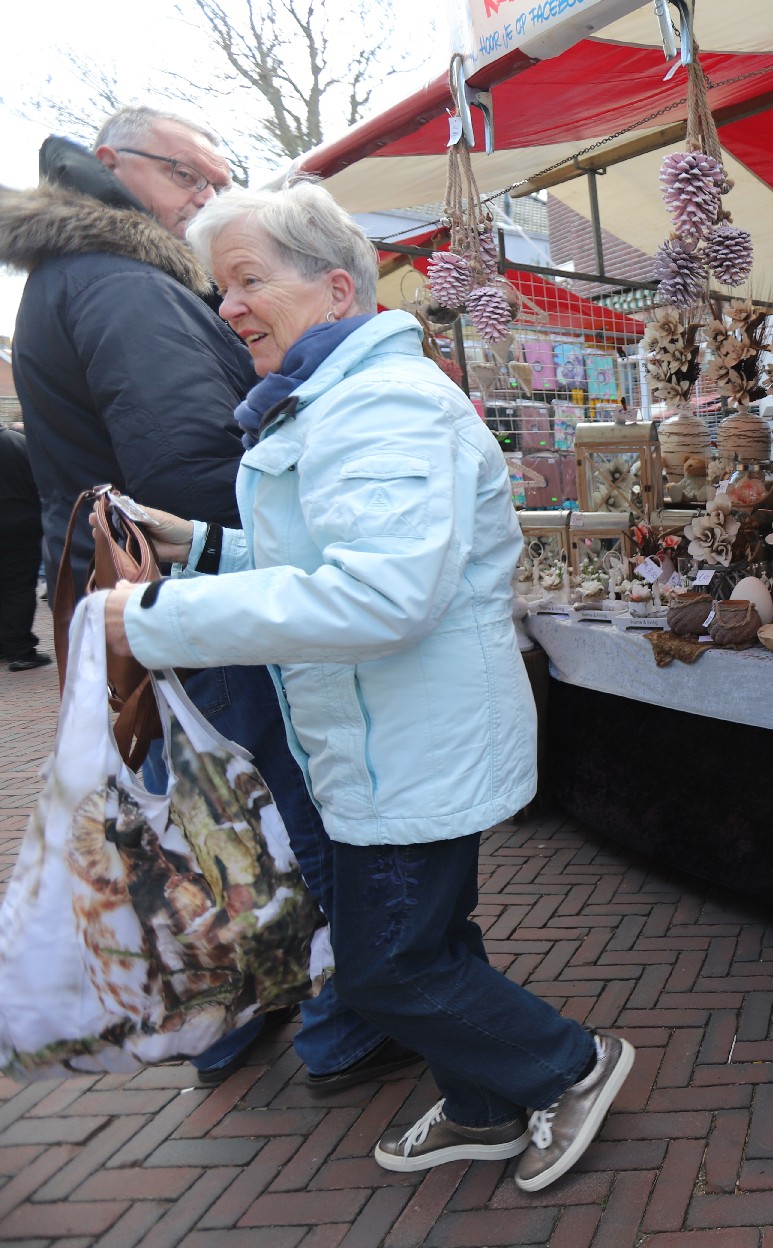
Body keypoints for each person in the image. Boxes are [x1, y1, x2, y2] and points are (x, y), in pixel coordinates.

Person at [102, 181, 633, 1193]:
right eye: (223, 287)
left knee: (388, 970)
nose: (228, 308)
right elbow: (327, 557)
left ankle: (569, 1066)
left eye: (248, 281)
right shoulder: (344, 397)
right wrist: (201, 546)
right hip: (380, 736)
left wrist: (156, 618)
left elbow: (383, 594)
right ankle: (485, 1105)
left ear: (335, 290)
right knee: (427, 942)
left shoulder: (381, 405)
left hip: (407, 739)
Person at [0, 105, 415, 1091]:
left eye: (219, 181)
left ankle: (235, 1013)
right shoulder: (123, 283)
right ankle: (348, 1023)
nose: (208, 195)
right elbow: (187, 461)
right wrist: (284, 539)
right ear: (114, 164)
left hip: (134, 597)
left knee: (207, 811)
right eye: (190, 174)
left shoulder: (81, 276)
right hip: (190, 598)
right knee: (278, 804)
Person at [0, 425, 49, 671]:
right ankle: (19, 649)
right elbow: (41, 482)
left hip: (17, 523)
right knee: (19, 587)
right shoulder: (17, 443)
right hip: (20, 525)